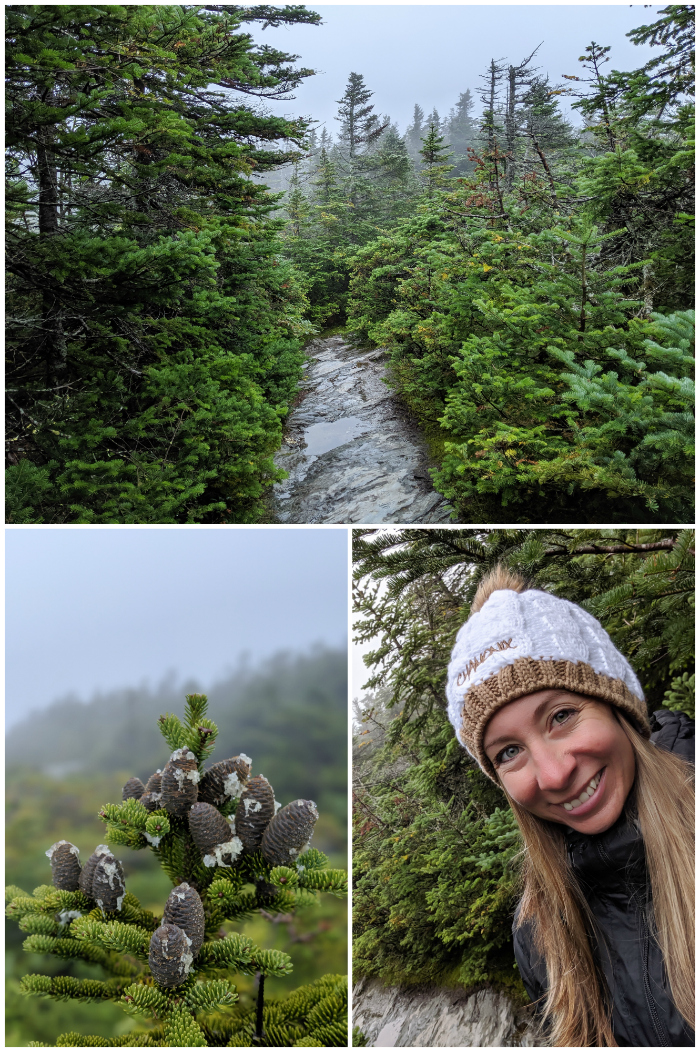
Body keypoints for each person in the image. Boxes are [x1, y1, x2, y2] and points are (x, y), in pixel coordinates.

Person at [445, 565, 694, 1047]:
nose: (554, 773)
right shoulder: (538, 936)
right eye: (509, 752)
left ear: (619, 707)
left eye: (562, 716)